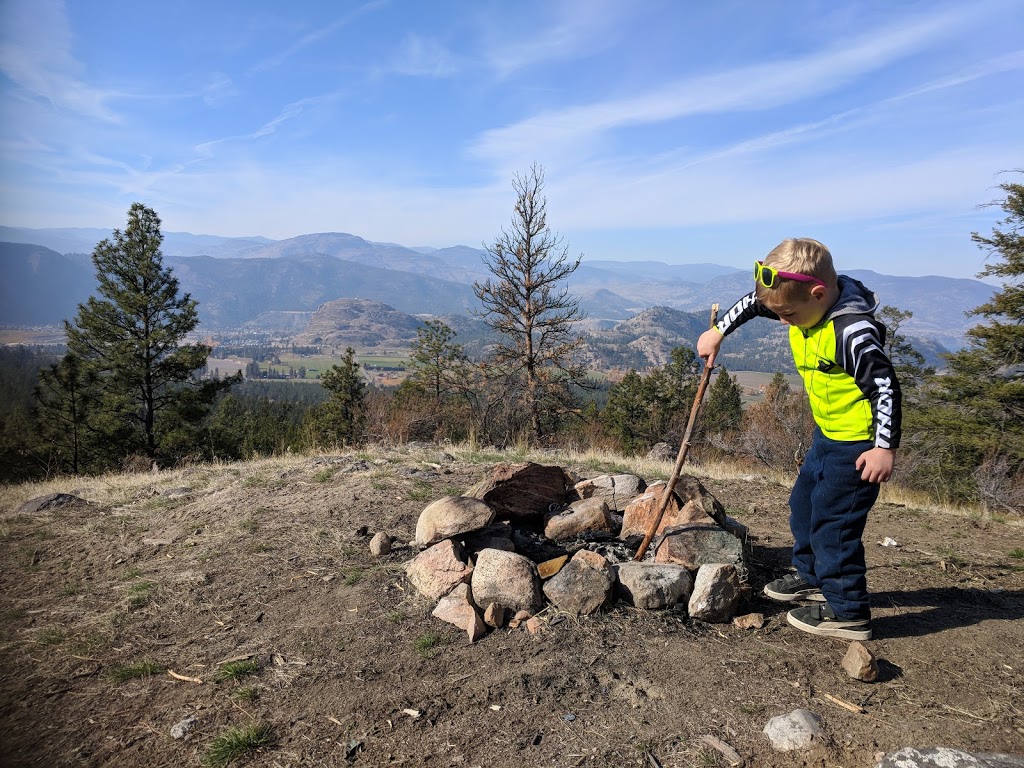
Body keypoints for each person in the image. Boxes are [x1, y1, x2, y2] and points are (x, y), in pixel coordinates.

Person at [697, 238, 901, 641]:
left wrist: (883, 447)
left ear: (818, 294)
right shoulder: (803, 304)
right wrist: (718, 331)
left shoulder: (852, 332)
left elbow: (885, 388)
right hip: (827, 435)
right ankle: (812, 577)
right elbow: (756, 304)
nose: (783, 322)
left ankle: (848, 612)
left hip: (859, 446)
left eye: (789, 314)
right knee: (804, 504)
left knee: (834, 526)